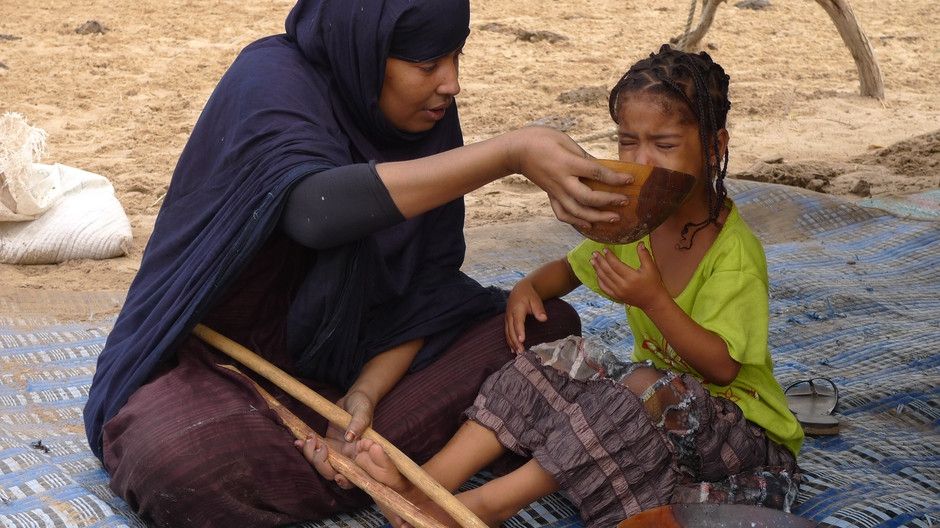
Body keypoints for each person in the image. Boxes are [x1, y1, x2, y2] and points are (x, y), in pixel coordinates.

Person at [81, 1, 634, 526]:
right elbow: (315, 212)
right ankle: (390, 467)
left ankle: (364, 464)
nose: (451, 83)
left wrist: (363, 395)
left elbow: (423, 292)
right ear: (364, 49)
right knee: (177, 461)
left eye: (456, 56)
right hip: (221, 368)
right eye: (427, 64)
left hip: (360, 365)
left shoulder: (427, 115)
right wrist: (507, 154)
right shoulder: (269, 78)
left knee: (543, 328)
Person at [313, 45, 804, 527]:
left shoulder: (734, 254)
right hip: (659, 412)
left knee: (624, 397)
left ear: (715, 147)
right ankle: (427, 485)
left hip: (740, 437)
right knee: (552, 360)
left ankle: (484, 507)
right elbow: (570, 268)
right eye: (628, 142)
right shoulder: (640, 221)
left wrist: (654, 301)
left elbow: (721, 367)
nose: (643, 160)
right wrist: (529, 286)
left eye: (665, 144)